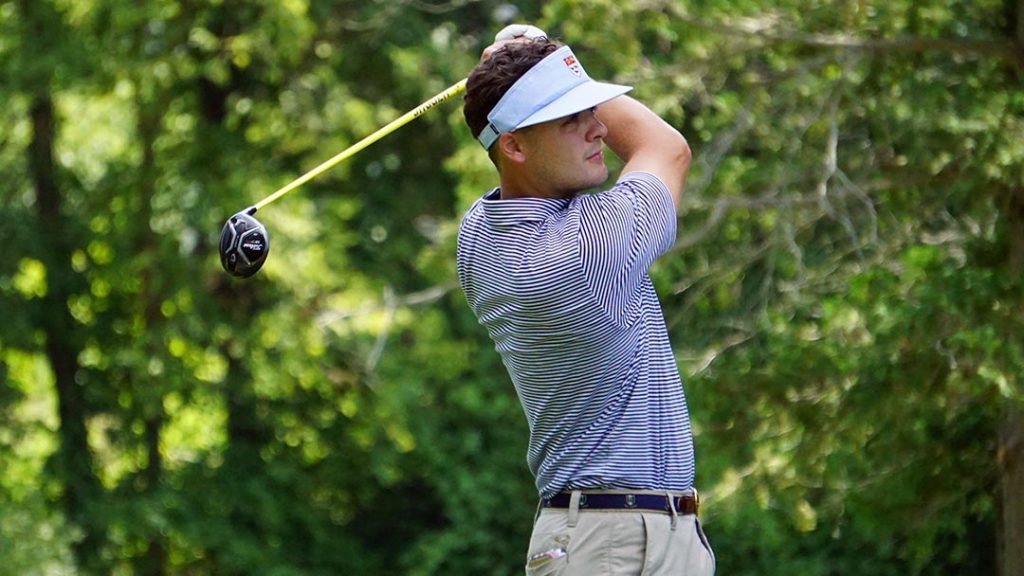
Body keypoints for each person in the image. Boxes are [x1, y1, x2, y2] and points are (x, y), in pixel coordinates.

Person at [456, 24, 714, 575]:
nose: (598, 128)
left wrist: (534, 70)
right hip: (617, 543)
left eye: (590, 110)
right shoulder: (587, 249)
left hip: (606, 534)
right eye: (571, 119)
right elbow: (665, 148)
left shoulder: (479, 237)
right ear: (514, 145)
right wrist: (550, 57)